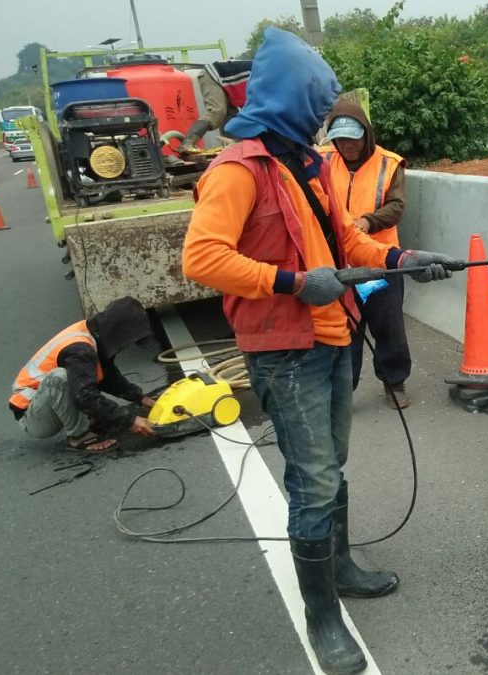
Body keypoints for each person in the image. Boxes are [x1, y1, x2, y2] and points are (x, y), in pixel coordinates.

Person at [181, 28, 454, 675]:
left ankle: (342, 566)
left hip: (332, 338)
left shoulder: (308, 164)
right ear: (292, 95)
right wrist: (293, 282)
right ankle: (323, 616)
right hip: (285, 350)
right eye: (318, 100)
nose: (325, 115)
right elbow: (202, 257)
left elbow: (346, 244)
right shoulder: (238, 169)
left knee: (332, 465)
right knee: (312, 481)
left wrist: (403, 258)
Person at [320, 100, 413, 409]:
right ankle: (344, 390)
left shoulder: (390, 163)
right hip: (338, 263)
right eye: (340, 139)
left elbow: (396, 206)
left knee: (387, 324)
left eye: (353, 138)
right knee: (346, 328)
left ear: (367, 135)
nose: (347, 145)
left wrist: (367, 222)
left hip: (380, 261)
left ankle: (394, 383)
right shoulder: (321, 161)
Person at [9, 296, 157, 453]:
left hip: (50, 405)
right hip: (33, 417)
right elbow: (84, 396)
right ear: (118, 331)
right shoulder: (79, 348)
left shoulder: (93, 334)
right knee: (61, 378)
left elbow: (107, 376)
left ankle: (86, 420)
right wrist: (130, 421)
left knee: (82, 380)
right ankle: (78, 436)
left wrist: (140, 398)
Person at [176, 60, 253, 155]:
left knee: (232, 121)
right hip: (214, 75)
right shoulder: (263, 74)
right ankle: (187, 143)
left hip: (227, 84)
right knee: (217, 112)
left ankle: (233, 151)